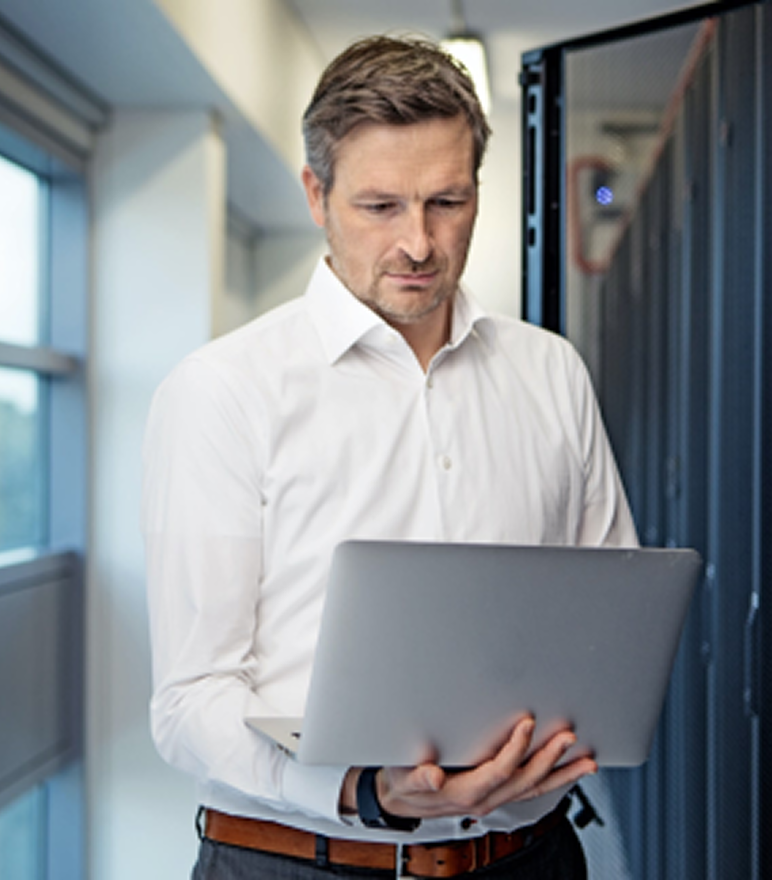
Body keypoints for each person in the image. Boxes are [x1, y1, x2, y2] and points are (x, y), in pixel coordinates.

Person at [142, 34, 638, 879]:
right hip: (303, 863)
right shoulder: (223, 391)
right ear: (316, 194)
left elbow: (612, 626)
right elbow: (190, 705)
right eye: (381, 207)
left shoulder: (551, 372)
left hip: (529, 858)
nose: (418, 243)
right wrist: (367, 790)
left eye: (447, 201)